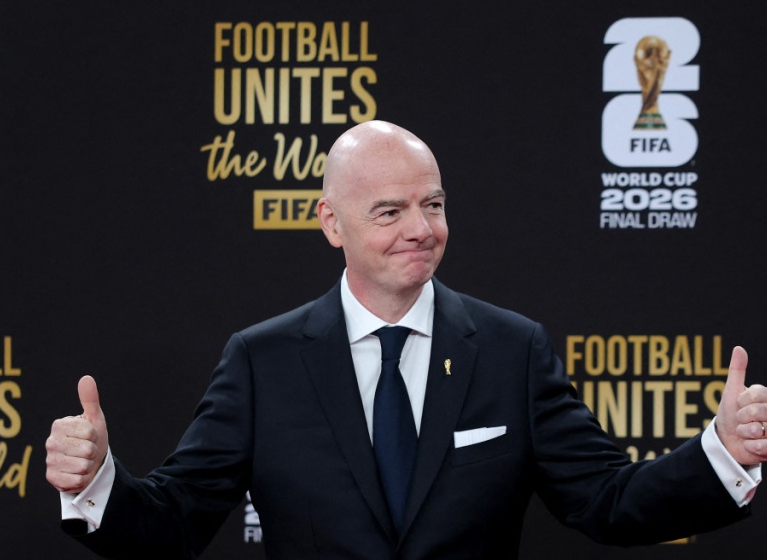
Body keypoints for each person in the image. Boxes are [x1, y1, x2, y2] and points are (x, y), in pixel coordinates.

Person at [46, 120, 766, 559]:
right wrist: (97, 481)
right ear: (332, 223)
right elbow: (173, 524)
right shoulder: (263, 363)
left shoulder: (511, 351)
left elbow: (608, 500)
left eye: (433, 204)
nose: (421, 230)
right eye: (390, 211)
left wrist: (722, 453)